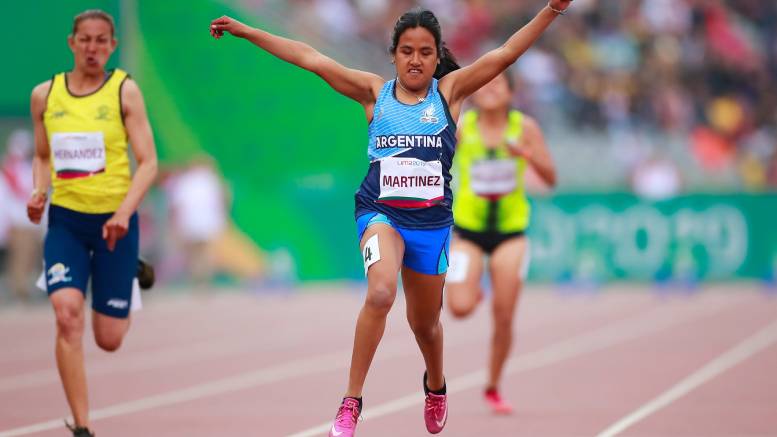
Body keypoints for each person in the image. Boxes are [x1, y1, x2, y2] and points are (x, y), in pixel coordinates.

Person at [210, 2, 572, 435]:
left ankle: (435, 385)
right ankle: (351, 401)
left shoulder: (450, 93)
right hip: (379, 212)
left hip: (431, 225)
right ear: (393, 55)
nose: (415, 60)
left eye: (424, 52)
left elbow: (506, 54)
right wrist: (247, 31)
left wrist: (551, 9)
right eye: (406, 51)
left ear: (437, 57)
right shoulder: (372, 92)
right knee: (380, 293)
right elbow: (309, 57)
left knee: (426, 326)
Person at [27, 9, 158, 437]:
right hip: (65, 222)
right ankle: (82, 426)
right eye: (85, 39)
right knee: (67, 316)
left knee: (108, 338)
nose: (92, 48)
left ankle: (129, 272)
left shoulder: (125, 91)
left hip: (114, 224)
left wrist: (123, 213)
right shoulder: (45, 96)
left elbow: (149, 163)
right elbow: (43, 155)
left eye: (102, 40)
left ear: (113, 46)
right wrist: (38, 191)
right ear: (71, 43)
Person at [445, 72, 557, 415]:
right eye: (484, 85)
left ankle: (493, 385)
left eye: (498, 84)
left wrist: (527, 154)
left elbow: (551, 178)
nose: (490, 89)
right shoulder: (463, 126)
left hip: (511, 233)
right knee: (459, 308)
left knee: (504, 315)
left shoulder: (525, 128)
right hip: (468, 231)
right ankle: (474, 283)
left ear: (511, 92)